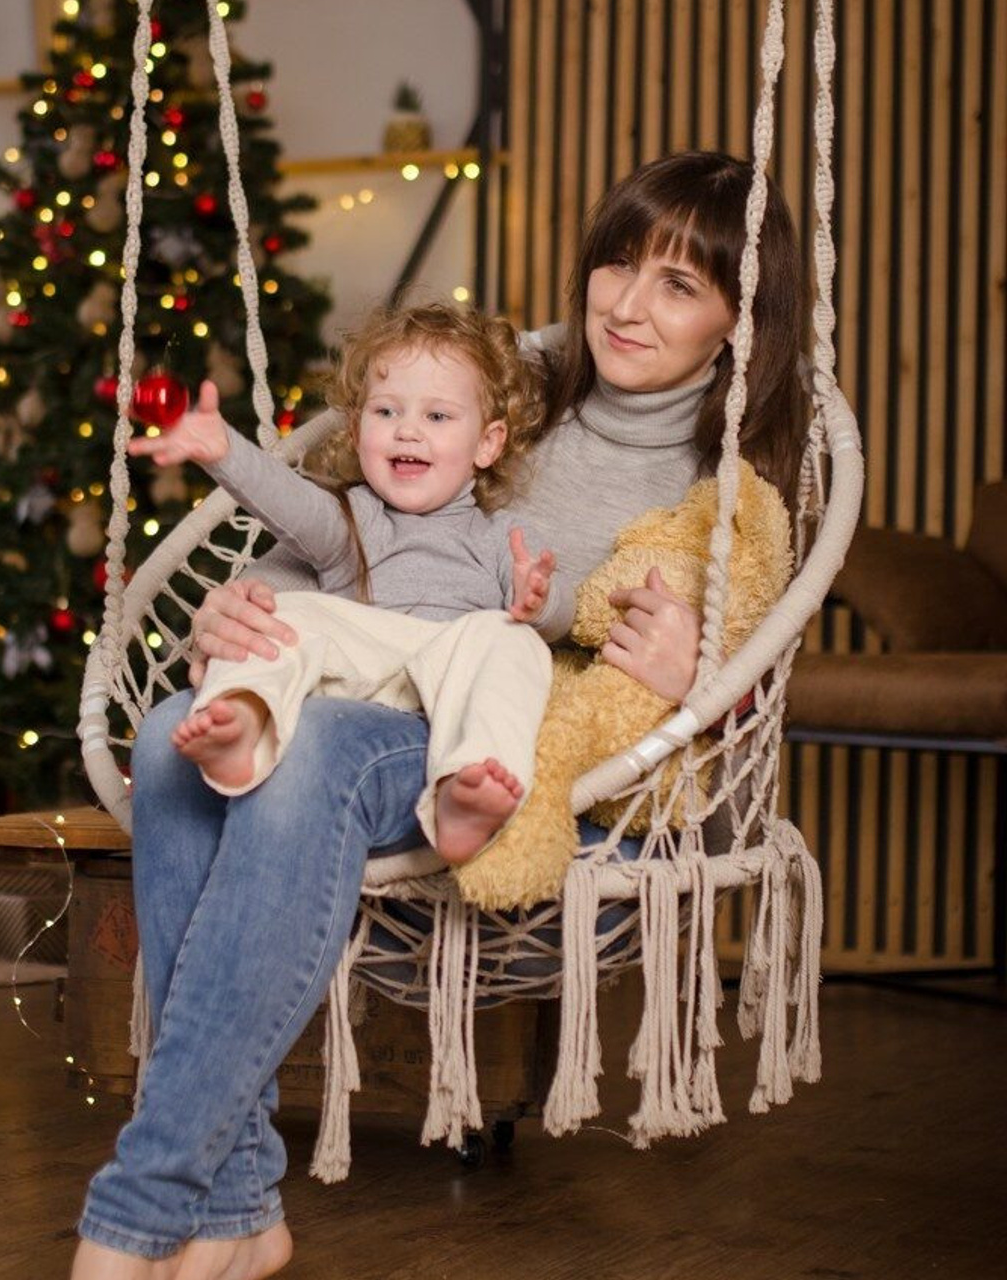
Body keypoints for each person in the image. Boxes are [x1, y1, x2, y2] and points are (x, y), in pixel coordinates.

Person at [71, 151, 806, 1280]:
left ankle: (139, 1205)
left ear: (736, 315)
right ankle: (236, 1206)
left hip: (493, 740)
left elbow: (734, 644)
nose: (624, 302)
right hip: (348, 671)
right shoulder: (486, 382)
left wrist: (706, 672)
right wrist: (230, 620)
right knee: (174, 737)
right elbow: (332, 535)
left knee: (307, 750)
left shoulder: (716, 496)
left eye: (676, 284)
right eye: (616, 263)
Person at [130, 305, 573, 865]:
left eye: (438, 417)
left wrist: (539, 599)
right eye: (386, 411)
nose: (408, 429)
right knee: (280, 613)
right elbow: (288, 502)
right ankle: (243, 719)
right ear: (358, 427)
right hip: (348, 677)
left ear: (487, 444)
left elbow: (560, 617)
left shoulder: (498, 535)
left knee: (514, 642)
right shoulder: (351, 517)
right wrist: (226, 452)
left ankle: (464, 790)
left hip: (442, 687)